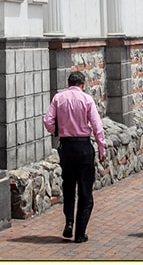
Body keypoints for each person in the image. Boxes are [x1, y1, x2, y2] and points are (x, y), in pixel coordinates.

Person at [43, 70, 106, 243]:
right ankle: (80, 233)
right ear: (83, 84)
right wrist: (102, 148)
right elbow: (97, 126)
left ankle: (69, 221)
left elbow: (48, 121)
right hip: (83, 146)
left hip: (66, 146)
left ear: (68, 83)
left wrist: (56, 131)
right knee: (86, 191)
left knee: (69, 187)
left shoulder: (58, 98)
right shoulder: (87, 99)